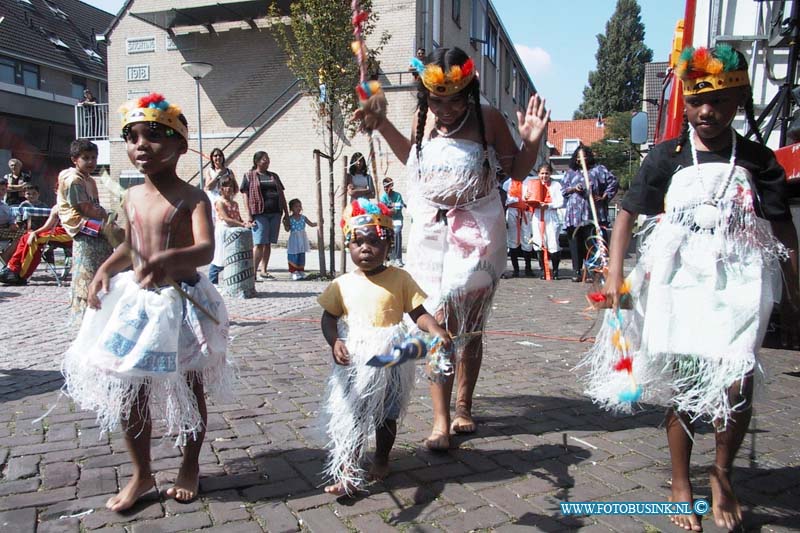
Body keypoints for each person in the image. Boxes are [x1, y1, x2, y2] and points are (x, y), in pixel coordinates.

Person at [581, 45, 800, 532]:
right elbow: (626, 214)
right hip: (679, 284)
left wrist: (794, 293)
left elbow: (784, 232)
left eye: (720, 101)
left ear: (738, 100)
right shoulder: (666, 157)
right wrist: (615, 275)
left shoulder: (760, 162)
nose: (708, 112)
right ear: (686, 101)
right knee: (685, 384)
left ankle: (722, 473)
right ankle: (681, 482)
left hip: (741, 281)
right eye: (699, 100)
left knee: (736, 380)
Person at [355, 47, 549, 450]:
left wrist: (530, 142)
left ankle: (463, 405)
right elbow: (411, 159)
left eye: (454, 100)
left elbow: (515, 171)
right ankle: (442, 421)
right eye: (436, 100)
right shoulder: (420, 120)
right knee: (437, 322)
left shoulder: (489, 120)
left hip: (478, 233)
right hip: (428, 234)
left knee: (466, 326)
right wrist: (382, 122)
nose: (444, 109)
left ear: (469, 93)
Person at [61, 93, 232, 512]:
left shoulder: (194, 198)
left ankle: (189, 465)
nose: (141, 145)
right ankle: (142, 473)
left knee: (189, 389)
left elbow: (206, 249)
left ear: (179, 145)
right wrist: (105, 269)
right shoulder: (132, 196)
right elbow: (131, 246)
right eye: (132, 136)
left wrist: (172, 258)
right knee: (131, 388)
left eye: (154, 136)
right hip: (140, 305)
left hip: (183, 305)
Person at [318, 199, 451, 495]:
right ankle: (348, 470)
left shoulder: (400, 279)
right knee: (351, 415)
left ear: (389, 245)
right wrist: (335, 341)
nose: (365, 248)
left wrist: (435, 329)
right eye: (358, 242)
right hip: (355, 358)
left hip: (390, 359)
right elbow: (328, 318)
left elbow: (418, 313)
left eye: (374, 242)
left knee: (386, 414)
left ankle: (381, 457)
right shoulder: (341, 284)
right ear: (348, 247)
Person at [56, 139, 116, 325]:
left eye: (94, 158)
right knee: (87, 275)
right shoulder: (74, 179)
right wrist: (105, 215)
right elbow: (84, 209)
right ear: (75, 159)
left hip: (95, 228)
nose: (91, 162)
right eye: (86, 158)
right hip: (83, 229)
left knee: (105, 269)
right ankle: (85, 318)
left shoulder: (89, 179)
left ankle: (103, 314)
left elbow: (95, 206)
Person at [560, 146, 617, 282]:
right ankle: (577, 271)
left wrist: (604, 196)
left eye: (584, 156)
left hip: (593, 214)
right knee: (575, 243)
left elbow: (613, 182)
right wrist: (574, 188)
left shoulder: (599, 170)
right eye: (579, 157)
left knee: (592, 243)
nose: (582, 159)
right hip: (574, 215)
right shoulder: (570, 173)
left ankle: (593, 271)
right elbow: (563, 190)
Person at [240, 151, 288, 279]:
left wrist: (286, 214)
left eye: (268, 159)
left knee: (268, 243)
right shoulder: (249, 176)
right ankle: (253, 272)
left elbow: (282, 195)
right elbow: (245, 195)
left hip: (275, 212)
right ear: (257, 161)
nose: (267, 162)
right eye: (264, 159)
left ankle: (264, 270)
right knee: (260, 242)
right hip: (259, 213)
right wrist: (249, 215)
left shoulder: (274, 176)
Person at [0, 205, 71, 286]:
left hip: (71, 234)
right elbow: (48, 225)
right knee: (26, 237)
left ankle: (21, 275)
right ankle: (12, 268)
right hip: (57, 231)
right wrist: (34, 232)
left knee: (34, 240)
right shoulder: (57, 206)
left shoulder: (75, 202)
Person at [209, 177, 250, 285]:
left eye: (231, 186)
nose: (229, 188)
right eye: (226, 186)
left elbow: (238, 218)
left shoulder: (235, 203)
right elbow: (226, 218)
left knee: (231, 256)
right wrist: (242, 224)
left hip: (234, 231)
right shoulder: (219, 202)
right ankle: (213, 282)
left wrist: (246, 223)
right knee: (220, 255)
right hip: (223, 230)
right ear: (221, 188)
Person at [529, 163, 563, 279]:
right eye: (542, 173)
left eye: (546, 173)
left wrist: (548, 205)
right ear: (538, 174)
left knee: (553, 242)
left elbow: (561, 202)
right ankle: (543, 270)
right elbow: (527, 199)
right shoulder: (534, 184)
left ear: (550, 174)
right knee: (539, 242)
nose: (544, 176)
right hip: (538, 215)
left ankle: (556, 271)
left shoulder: (556, 185)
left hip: (550, 215)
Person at [502, 173, 535, 277]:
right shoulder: (507, 183)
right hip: (513, 211)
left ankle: (528, 268)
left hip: (526, 212)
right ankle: (516, 269)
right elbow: (505, 199)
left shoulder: (530, 180)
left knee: (526, 238)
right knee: (512, 239)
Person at [285, 198, 317, 280]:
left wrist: (319, 222)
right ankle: (293, 271)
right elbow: (287, 229)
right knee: (293, 254)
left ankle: (300, 270)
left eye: (300, 206)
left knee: (301, 254)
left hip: (302, 239)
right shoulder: (290, 218)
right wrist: (285, 222)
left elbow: (312, 224)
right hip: (294, 239)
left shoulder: (303, 218)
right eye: (296, 206)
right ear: (291, 208)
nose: (298, 208)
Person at [379, 177, 406, 266]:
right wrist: (393, 206)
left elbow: (398, 208)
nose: (386, 188)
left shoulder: (398, 195)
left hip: (397, 219)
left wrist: (390, 207)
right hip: (388, 220)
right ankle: (388, 257)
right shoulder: (383, 197)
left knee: (397, 232)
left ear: (392, 185)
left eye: (388, 186)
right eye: (384, 187)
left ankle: (398, 258)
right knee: (384, 234)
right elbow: (383, 209)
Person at [204, 148, 235, 218]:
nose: (218, 157)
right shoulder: (209, 171)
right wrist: (218, 175)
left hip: (226, 200)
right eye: (215, 156)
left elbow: (235, 187)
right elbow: (208, 187)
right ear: (212, 158)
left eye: (220, 155)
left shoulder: (229, 171)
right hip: (213, 201)